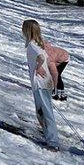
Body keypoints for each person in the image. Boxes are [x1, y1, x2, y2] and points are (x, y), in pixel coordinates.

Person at [22, 19, 60, 150]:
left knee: (46, 112)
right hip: (42, 83)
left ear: (27, 31)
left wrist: (39, 67)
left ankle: (53, 142)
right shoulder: (38, 43)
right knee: (40, 112)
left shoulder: (33, 45)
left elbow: (41, 58)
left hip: (41, 83)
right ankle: (48, 136)